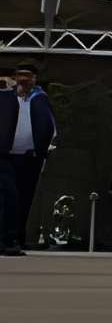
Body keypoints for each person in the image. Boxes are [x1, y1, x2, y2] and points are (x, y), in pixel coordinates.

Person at [1, 68, 51, 255]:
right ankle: (8, 238)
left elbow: (48, 125)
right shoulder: (6, 97)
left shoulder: (40, 99)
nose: (24, 80)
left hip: (29, 156)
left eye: (28, 76)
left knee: (23, 199)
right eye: (20, 76)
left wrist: (42, 151)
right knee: (8, 196)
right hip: (6, 156)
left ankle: (17, 238)